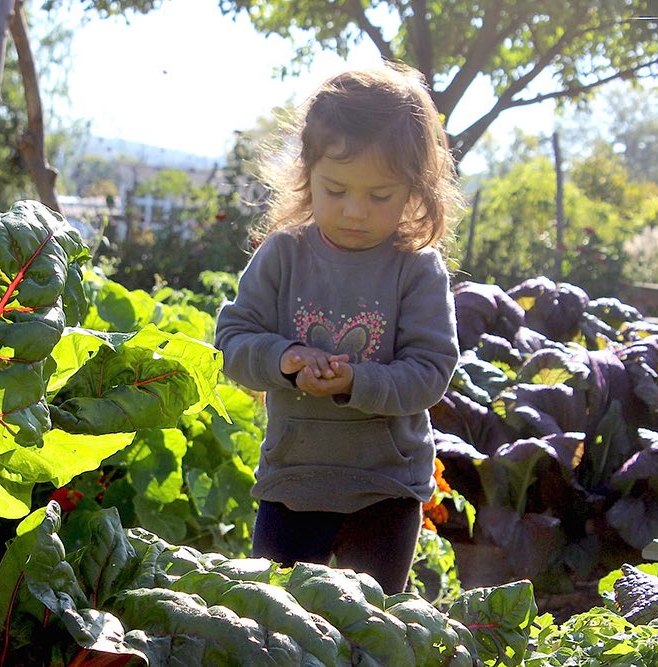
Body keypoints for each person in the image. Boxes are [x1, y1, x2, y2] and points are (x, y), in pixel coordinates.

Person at [214, 64, 463, 595]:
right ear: (308, 173)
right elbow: (232, 340)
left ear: (415, 189)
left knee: (367, 632)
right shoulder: (283, 255)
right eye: (336, 189)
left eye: (380, 196)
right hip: (293, 482)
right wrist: (285, 360)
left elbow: (431, 371)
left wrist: (355, 382)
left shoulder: (416, 269)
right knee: (276, 626)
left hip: (386, 489)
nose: (355, 211)